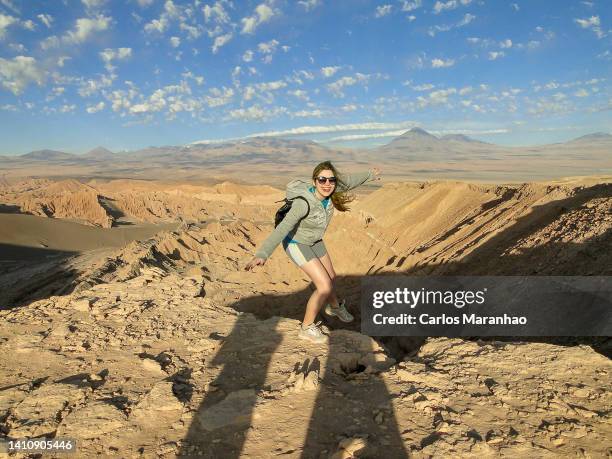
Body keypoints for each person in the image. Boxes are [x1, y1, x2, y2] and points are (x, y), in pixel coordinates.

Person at [244, 161, 381, 344]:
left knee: (331, 277)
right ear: (314, 181)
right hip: (296, 243)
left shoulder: (333, 189)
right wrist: (263, 253)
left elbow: (349, 180)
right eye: (322, 179)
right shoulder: (303, 203)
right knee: (324, 286)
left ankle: (334, 307)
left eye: (331, 180)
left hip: (315, 240)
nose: (327, 184)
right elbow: (283, 228)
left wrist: (370, 174)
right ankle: (306, 328)